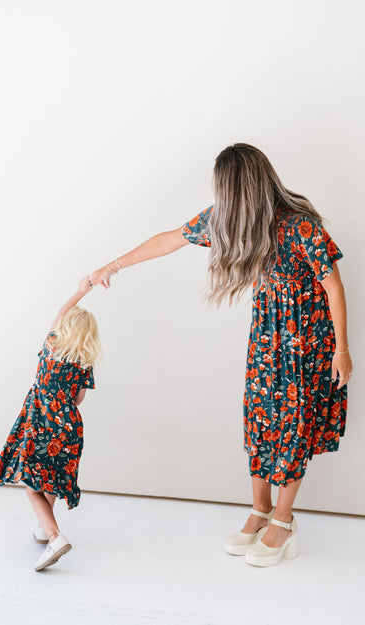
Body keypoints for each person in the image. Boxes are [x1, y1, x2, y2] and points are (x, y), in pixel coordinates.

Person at [86, 143, 352, 567]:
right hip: (265, 340)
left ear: (241, 187)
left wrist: (342, 349)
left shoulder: (300, 226)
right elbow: (170, 239)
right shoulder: (229, 221)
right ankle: (260, 510)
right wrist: (111, 266)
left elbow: (333, 284)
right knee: (259, 420)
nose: (219, 195)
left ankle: (284, 520)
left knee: (293, 427)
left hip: (306, 343)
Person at [0, 278, 100, 571]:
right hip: (69, 428)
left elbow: (62, 310)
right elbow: (78, 399)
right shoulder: (84, 362)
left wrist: (82, 290)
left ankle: (55, 537)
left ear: (65, 327)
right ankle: (44, 529)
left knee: (32, 486)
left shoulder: (51, 343)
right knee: (51, 480)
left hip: (41, 423)